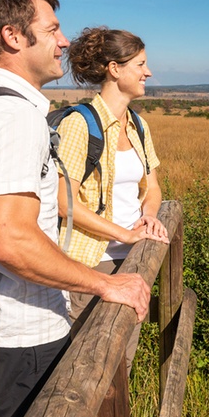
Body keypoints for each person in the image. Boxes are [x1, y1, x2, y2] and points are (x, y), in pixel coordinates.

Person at [0, 0, 150, 417]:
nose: (64, 42)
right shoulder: (15, 118)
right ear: (13, 37)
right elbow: (9, 240)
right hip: (20, 332)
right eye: (52, 29)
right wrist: (104, 282)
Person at [56, 27, 169, 374]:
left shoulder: (138, 124)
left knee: (121, 366)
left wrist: (149, 216)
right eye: (140, 64)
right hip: (92, 264)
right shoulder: (79, 124)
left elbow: (152, 186)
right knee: (90, 371)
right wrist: (124, 234)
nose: (147, 72)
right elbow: (65, 204)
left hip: (133, 260)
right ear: (114, 69)